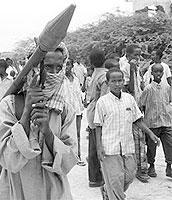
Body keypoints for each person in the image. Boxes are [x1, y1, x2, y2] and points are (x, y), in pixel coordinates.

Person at [0, 46, 78, 200]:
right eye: (47, 67)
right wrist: (26, 114)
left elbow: (69, 161)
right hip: (16, 189)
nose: (53, 73)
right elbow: (7, 159)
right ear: (33, 68)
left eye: (58, 68)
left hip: (53, 191)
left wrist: (47, 132)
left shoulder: (64, 110)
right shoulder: (10, 104)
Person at [94, 68, 160, 200]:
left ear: (123, 81)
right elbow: (98, 126)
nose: (117, 84)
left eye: (120, 80)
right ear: (107, 83)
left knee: (130, 175)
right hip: (110, 148)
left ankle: (108, 190)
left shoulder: (129, 99)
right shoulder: (102, 102)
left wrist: (151, 134)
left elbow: (137, 120)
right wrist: (99, 147)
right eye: (114, 81)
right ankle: (114, 194)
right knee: (115, 179)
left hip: (127, 146)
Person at [120, 44, 150, 183]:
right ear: (127, 55)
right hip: (129, 106)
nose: (137, 58)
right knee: (136, 137)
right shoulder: (125, 66)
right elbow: (130, 88)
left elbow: (139, 87)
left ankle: (139, 167)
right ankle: (138, 168)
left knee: (138, 137)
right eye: (135, 55)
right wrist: (132, 70)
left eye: (139, 55)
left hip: (137, 104)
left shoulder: (135, 67)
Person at [139, 63, 172, 178]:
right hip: (152, 123)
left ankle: (169, 166)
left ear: (163, 73)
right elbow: (141, 104)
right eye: (156, 71)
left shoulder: (167, 87)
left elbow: (169, 101)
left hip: (166, 122)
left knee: (169, 145)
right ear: (151, 73)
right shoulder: (148, 89)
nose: (158, 74)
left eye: (160, 72)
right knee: (152, 146)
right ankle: (151, 165)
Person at [86, 49, 108, 188]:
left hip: (91, 111)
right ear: (104, 59)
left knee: (93, 145)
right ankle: (99, 176)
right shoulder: (104, 76)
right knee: (99, 145)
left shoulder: (94, 74)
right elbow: (104, 99)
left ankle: (94, 178)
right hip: (99, 112)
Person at [66, 60, 86, 166]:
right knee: (66, 133)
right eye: (65, 64)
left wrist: (81, 110)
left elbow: (79, 96)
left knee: (77, 133)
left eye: (68, 64)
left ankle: (78, 156)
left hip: (77, 110)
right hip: (66, 111)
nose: (66, 67)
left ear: (71, 66)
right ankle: (67, 157)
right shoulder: (61, 80)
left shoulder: (76, 80)